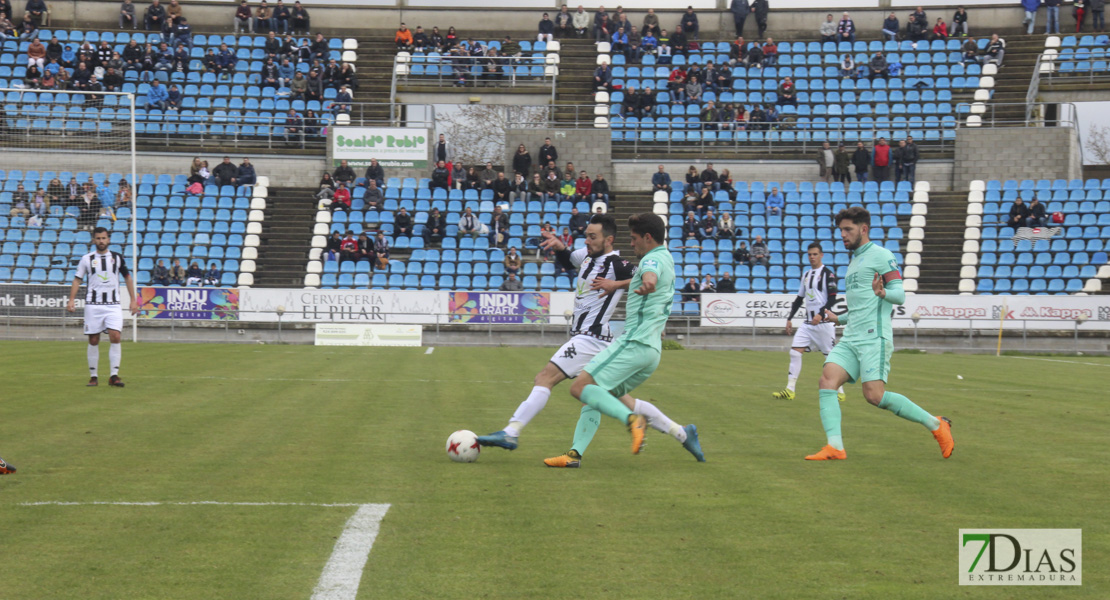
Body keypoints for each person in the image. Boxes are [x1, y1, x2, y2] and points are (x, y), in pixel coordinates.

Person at [477, 214, 703, 467]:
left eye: (592, 237)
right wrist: (560, 248)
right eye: (586, 236)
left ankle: (512, 432)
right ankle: (681, 433)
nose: (587, 241)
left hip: (591, 337)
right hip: (604, 341)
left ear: (608, 240)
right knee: (612, 398)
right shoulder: (585, 256)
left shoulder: (618, 263)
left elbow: (645, 274)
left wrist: (616, 284)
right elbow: (569, 260)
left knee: (546, 378)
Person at [807, 207, 955, 461]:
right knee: (827, 380)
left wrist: (883, 293)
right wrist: (838, 318)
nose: (842, 234)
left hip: (874, 337)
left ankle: (936, 424)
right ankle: (835, 447)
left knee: (874, 395)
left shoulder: (881, 255)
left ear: (863, 229)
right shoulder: (854, 261)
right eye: (840, 229)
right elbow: (859, 307)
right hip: (852, 336)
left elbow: (899, 294)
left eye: (848, 229)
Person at [66, 227, 139, 388]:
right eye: (98, 238)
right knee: (93, 339)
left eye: (104, 238)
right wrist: (71, 299)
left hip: (113, 305)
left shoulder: (117, 258)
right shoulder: (87, 259)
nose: (101, 241)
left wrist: (133, 300)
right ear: (93, 240)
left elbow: (128, 278)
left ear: (109, 239)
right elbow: (77, 280)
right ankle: (93, 376)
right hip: (93, 305)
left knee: (115, 336)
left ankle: (114, 375)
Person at [773, 243, 845, 402]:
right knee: (794, 352)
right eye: (809, 254)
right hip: (807, 324)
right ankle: (790, 389)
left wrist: (821, 314)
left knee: (830, 359)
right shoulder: (806, 275)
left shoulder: (828, 274)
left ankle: (840, 391)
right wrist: (790, 318)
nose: (812, 257)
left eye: (815, 254)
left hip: (824, 324)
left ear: (821, 255)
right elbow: (799, 298)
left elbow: (832, 297)